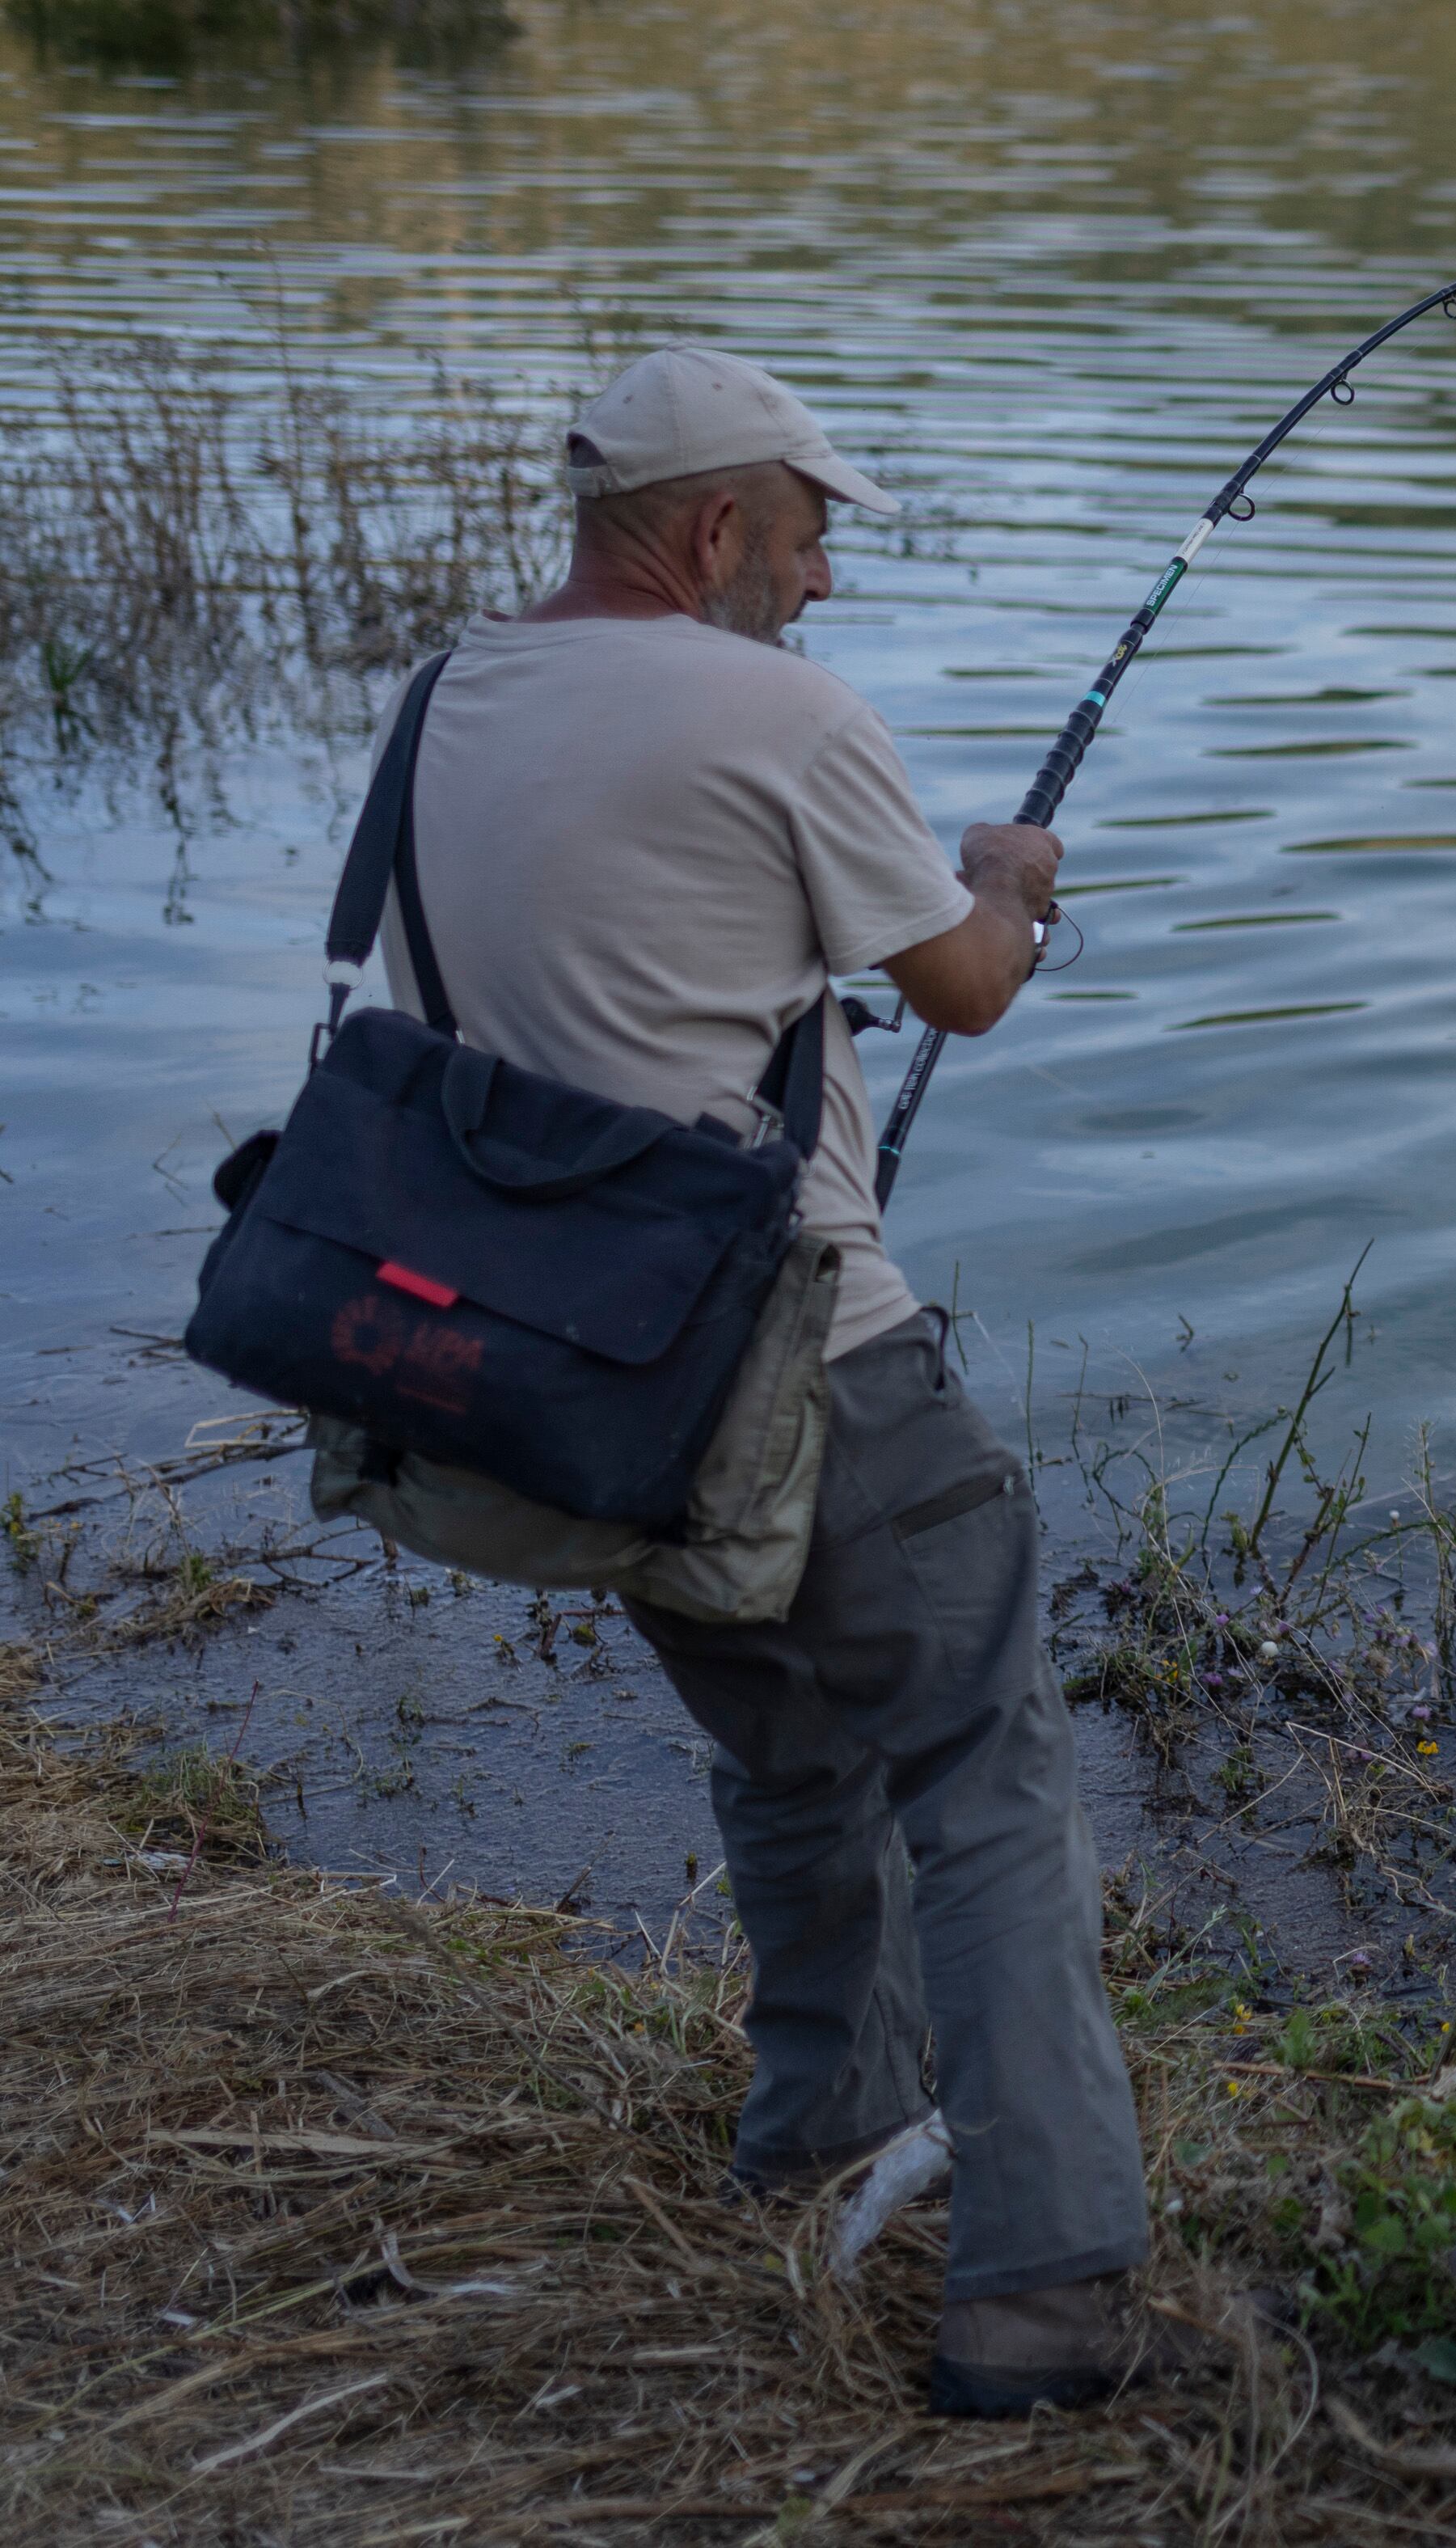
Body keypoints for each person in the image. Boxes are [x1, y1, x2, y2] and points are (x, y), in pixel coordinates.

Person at [373, 344, 1201, 2415]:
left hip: (575, 1374)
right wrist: (1006, 878)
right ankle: (1048, 2294)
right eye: (815, 533)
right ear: (722, 525)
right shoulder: (779, 713)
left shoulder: (440, 703)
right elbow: (969, 994)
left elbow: (593, 986)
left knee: (789, 1753)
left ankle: (820, 2135)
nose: (825, 582)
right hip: (802, 1358)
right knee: (990, 1775)